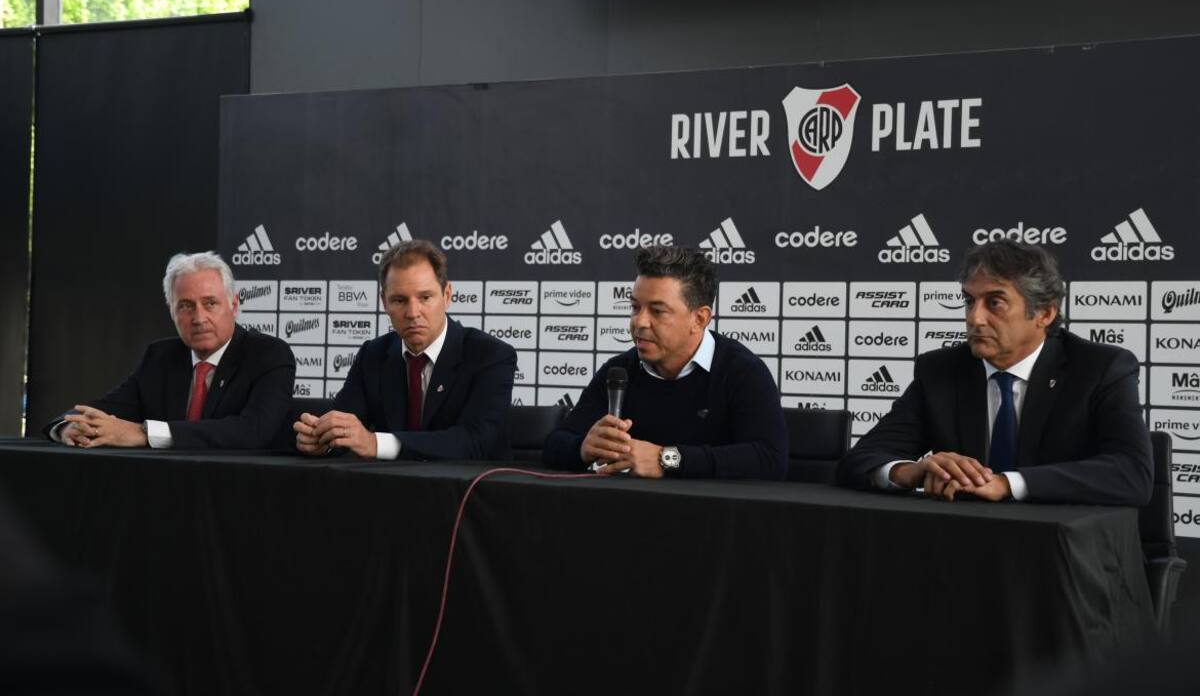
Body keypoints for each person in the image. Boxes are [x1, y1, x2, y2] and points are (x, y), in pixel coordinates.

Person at [837, 239, 1152, 505]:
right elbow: (860, 459)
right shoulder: (940, 371)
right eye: (970, 301)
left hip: (1064, 555)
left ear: (1045, 312)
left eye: (995, 302)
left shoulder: (1100, 368)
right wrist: (910, 472)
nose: (975, 318)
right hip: (965, 552)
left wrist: (1007, 484)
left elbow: (1131, 473)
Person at [542, 245, 787, 479]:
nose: (639, 322)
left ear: (699, 319)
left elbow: (770, 459)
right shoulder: (619, 371)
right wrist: (582, 448)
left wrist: (666, 459)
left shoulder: (741, 371)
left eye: (657, 311)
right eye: (635, 307)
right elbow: (554, 445)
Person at [44, 251, 296, 449]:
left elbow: (254, 430)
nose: (199, 318)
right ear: (171, 310)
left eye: (210, 304)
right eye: (186, 306)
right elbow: (107, 407)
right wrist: (69, 427)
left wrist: (144, 433)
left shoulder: (268, 354)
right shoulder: (161, 356)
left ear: (234, 304)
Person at [294, 240, 516, 459]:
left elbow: (474, 441)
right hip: (392, 491)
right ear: (384, 302)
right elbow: (345, 429)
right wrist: (322, 440)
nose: (412, 313)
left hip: (470, 491)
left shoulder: (490, 355)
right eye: (399, 300)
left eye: (425, 297)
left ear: (447, 295)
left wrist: (375, 443)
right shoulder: (373, 354)